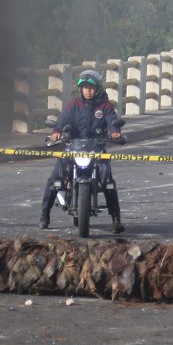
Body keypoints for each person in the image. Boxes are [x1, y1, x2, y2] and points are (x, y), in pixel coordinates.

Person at [40, 70, 124, 232]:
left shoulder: (105, 106)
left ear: (98, 88)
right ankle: (45, 214)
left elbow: (112, 120)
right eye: (84, 87)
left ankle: (116, 219)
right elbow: (63, 119)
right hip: (73, 147)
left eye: (91, 87)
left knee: (108, 182)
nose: (88, 90)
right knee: (54, 179)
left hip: (96, 148)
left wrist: (115, 131)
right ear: (81, 89)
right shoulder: (74, 105)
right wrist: (57, 131)